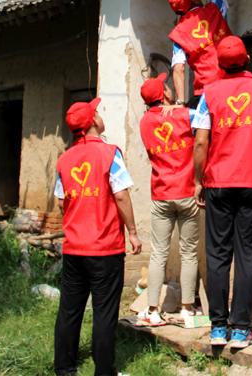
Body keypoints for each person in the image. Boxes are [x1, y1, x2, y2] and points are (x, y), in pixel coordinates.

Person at [191, 36, 252, 349]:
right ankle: (240, 330)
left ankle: (218, 327)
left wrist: (198, 180)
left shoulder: (209, 94)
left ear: (220, 65)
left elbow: (200, 142)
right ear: (247, 59)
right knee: (247, 257)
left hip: (218, 183)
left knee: (218, 255)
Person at [53, 98, 142, 376]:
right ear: (92, 121)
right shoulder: (109, 154)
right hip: (105, 248)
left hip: (74, 247)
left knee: (70, 309)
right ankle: (104, 371)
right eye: (98, 113)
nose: (101, 116)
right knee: (104, 311)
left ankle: (64, 368)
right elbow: (121, 195)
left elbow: (61, 201)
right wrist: (133, 232)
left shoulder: (65, 159)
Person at [136, 73, 200, 326]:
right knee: (189, 253)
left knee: (158, 253)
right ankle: (187, 309)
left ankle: (152, 310)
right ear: (164, 94)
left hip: (161, 193)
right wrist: (180, 107)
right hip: (187, 191)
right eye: (167, 86)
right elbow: (207, 119)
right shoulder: (185, 115)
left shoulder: (144, 122)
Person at [168, 0, 232, 108]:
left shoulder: (178, 34)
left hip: (204, 92)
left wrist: (180, 102)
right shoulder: (214, 9)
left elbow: (178, 68)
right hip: (229, 84)